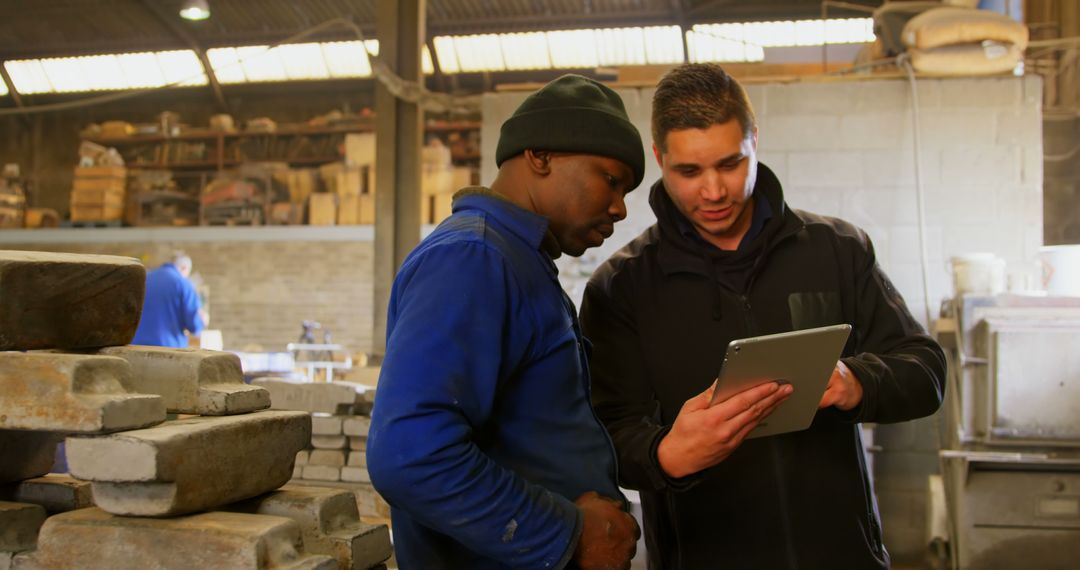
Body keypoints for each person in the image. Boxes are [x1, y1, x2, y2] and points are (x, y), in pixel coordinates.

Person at [579, 63, 947, 569]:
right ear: (660, 158)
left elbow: (926, 370)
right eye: (689, 171)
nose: (713, 191)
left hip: (841, 557)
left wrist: (855, 381)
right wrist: (667, 453)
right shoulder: (621, 288)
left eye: (731, 164)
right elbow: (604, 435)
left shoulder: (836, 250)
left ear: (756, 140)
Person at [368, 74, 646, 569]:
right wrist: (565, 533)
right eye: (611, 178)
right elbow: (410, 457)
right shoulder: (473, 259)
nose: (620, 207)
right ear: (540, 156)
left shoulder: (519, 262)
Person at [132, 252, 206, 348]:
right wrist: (202, 321)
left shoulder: (144, 279)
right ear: (184, 268)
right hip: (168, 349)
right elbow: (194, 326)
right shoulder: (183, 283)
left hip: (137, 347)